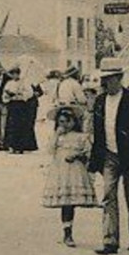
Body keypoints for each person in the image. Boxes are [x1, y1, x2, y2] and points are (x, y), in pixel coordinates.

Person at [88, 58, 129, 255]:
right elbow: (97, 132)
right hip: (109, 155)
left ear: (119, 78)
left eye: (109, 79)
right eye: (103, 80)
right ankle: (110, 241)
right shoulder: (100, 101)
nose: (105, 84)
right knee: (108, 196)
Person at [41, 104, 97, 247]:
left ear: (74, 121)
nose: (64, 125)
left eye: (67, 121)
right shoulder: (58, 138)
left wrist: (78, 155)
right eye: (61, 122)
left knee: (71, 202)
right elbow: (50, 150)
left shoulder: (81, 137)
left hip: (76, 172)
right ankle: (67, 233)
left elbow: (88, 153)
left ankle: (69, 232)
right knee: (66, 203)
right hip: (61, 172)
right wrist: (56, 135)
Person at [2, 67, 40, 154]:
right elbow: (4, 94)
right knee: (11, 126)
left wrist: (21, 94)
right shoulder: (9, 83)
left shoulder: (24, 82)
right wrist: (9, 96)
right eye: (13, 74)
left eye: (16, 74)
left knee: (21, 126)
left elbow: (30, 94)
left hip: (21, 106)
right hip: (12, 105)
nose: (14, 76)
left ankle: (21, 146)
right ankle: (12, 146)